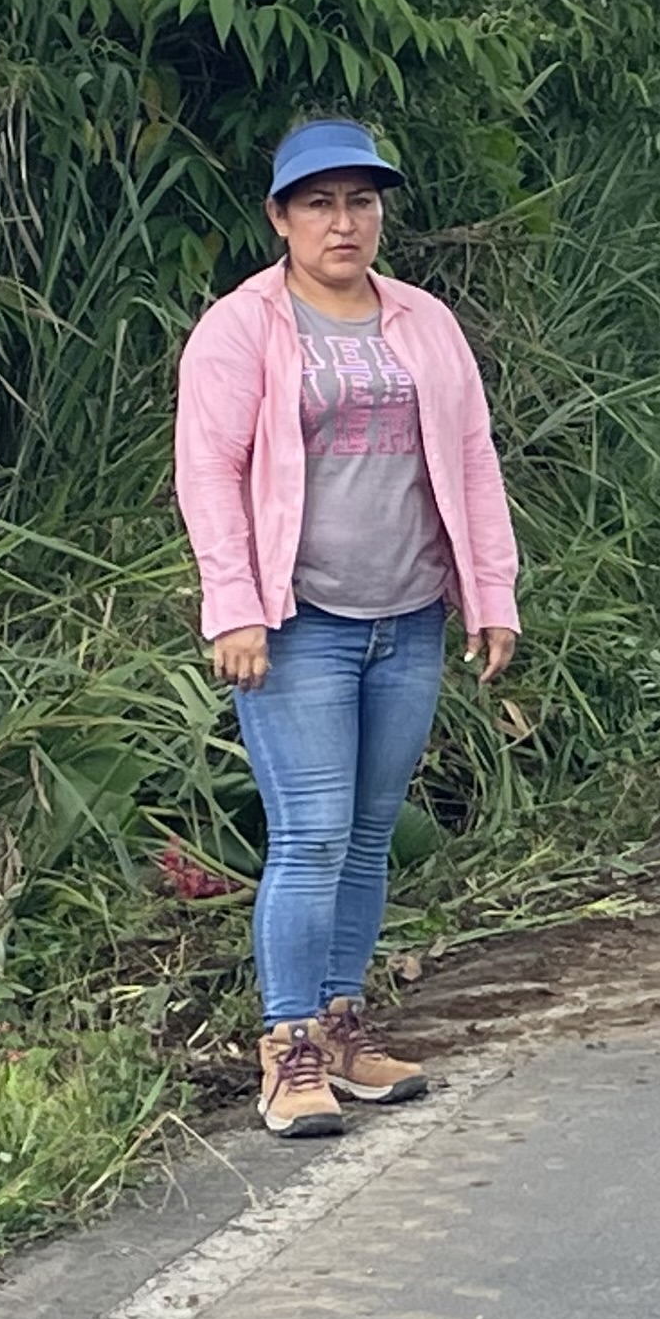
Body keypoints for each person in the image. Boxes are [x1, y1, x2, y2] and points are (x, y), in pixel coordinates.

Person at [175, 117, 522, 1138]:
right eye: (320, 203)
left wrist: (490, 593)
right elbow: (208, 473)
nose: (344, 222)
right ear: (280, 218)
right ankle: (286, 1049)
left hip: (407, 615)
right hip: (299, 624)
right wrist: (234, 607)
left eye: (361, 202)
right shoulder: (241, 329)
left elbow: (474, 457)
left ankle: (340, 1029)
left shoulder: (424, 322)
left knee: (369, 834)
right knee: (312, 832)